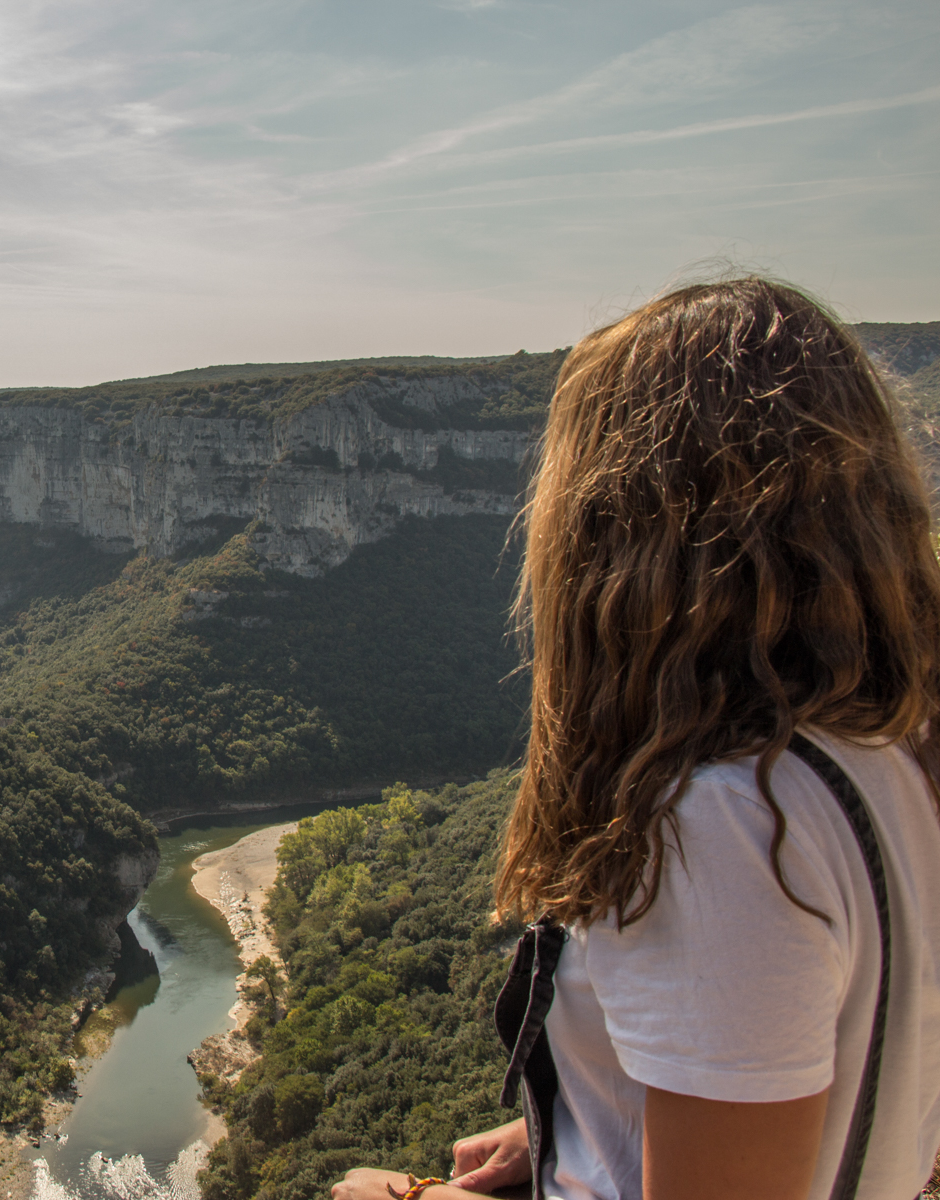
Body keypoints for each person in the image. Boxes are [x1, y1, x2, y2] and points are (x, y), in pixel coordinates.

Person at [332, 278, 940, 1200]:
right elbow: (794, 1060)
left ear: (620, 519)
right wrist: (575, 1115)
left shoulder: (726, 825)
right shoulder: (886, 748)